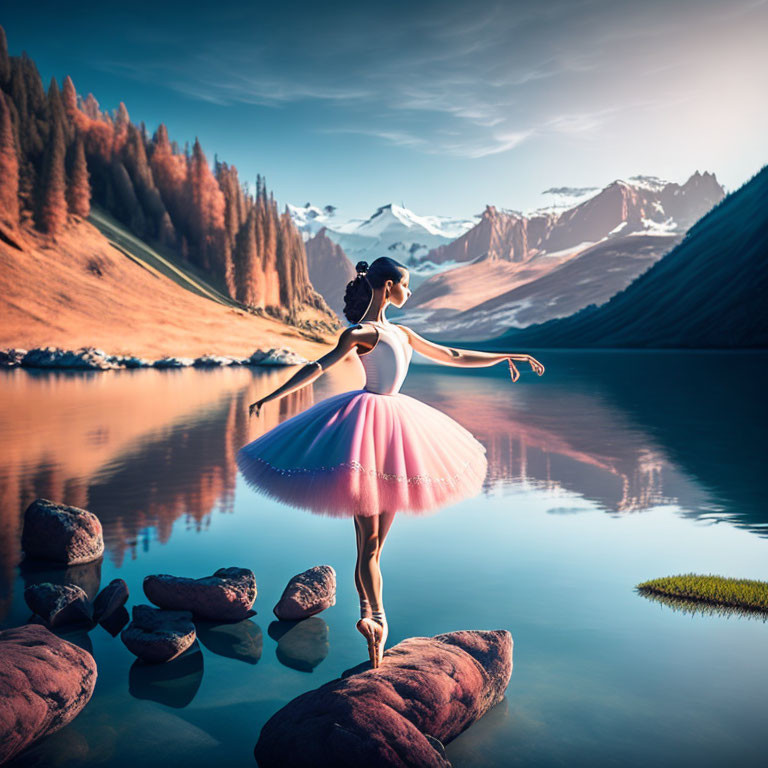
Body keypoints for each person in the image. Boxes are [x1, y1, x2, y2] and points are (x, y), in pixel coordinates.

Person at [236, 256, 545, 668]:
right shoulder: (361, 333)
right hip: (363, 435)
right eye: (405, 285)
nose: (409, 292)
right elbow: (317, 366)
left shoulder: (402, 332)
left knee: (372, 548)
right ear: (386, 287)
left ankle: (371, 622)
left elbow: (452, 354)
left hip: (397, 435)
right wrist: (271, 397)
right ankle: (375, 622)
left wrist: (508, 355)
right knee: (369, 547)